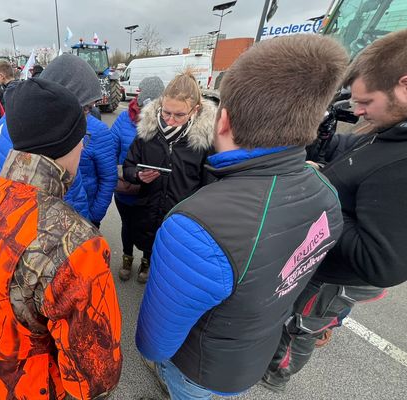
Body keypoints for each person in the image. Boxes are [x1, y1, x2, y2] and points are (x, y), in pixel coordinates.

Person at [135, 34, 348, 399]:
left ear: (223, 121)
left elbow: (154, 344)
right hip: (253, 358)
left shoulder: (195, 225)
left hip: (196, 371)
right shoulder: (325, 192)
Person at [0, 78, 122, 400]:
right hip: (42, 386)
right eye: (81, 138)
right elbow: (94, 375)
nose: (83, 146)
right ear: (69, 144)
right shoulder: (78, 243)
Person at [262, 28, 407, 393]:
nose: (357, 111)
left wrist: (320, 194)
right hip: (323, 263)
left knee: (301, 324)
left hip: (335, 277)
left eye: (366, 102)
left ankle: (277, 374)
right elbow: (360, 154)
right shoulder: (390, 128)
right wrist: (323, 138)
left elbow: (382, 263)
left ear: (404, 86)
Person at [122, 71, 217, 283]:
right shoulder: (147, 133)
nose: (170, 121)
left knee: (171, 269)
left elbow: (209, 187)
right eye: (166, 113)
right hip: (149, 210)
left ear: (195, 110)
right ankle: (146, 264)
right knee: (149, 249)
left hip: (182, 219)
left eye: (178, 115)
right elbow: (128, 167)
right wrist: (138, 175)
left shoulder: (205, 143)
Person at [41, 54, 117, 228]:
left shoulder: (98, 131)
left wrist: (94, 215)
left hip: (84, 218)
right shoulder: (31, 127)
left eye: (91, 107)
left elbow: (108, 178)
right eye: (86, 107)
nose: (88, 112)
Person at [110, 76, 164, 281]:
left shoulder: (165, 123)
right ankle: (127, 257)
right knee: (128, 224)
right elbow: (111, 152)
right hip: (126, 187)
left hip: (152, 190)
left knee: (151, 226)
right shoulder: (123, 120)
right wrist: (121, 173)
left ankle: (146, 262)